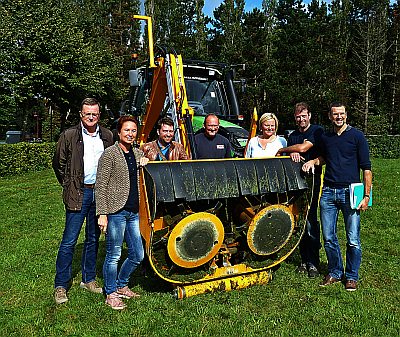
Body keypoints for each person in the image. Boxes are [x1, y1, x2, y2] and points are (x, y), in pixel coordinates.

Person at [302, 102, 372, 291]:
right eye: (335, 114)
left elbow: (366, 168)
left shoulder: (357, 136)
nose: (338, 117)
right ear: (330, 116)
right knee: (329, 237)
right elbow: (325, 157)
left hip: (351, 192)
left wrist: (366, 196)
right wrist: (313, 162)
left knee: (353, 238)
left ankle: (351, 276)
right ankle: (334, 271)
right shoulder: (326, 137)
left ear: (346, 115)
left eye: (341, 114)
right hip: (328, 193)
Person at [52, 97, 113, 304]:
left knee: (93, 238)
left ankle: (88, 279)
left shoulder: (107, 136)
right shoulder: (69, 135)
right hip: (78, 193)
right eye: (87, 113)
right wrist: (70, 185)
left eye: (94, 114)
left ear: (99, 115)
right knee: (69, 240)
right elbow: (58, 164)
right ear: (81, 114)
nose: (91, 117)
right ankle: (61, 285)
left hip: (100, 193)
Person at [96, 116, 149, 310]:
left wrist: (145, 161)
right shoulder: (110, 154)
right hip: (116, 211)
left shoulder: (136, 153)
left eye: (133, 130)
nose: (130, 134)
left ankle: (122, 284)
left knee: (138, 254)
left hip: (133, 212)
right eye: (127, 130)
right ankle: (110, 293)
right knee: (114, 255)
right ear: (119, 132)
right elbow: (100, 186)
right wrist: (102, 214)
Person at [276, 103, 324, 277]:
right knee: (300, 220)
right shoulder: (293, 135)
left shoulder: (317, 131)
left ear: (309, 115)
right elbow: (295, 152)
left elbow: (304, 148)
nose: (301, 119)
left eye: (304, 116)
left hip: (312, 180)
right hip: (296, 182)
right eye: (298, 117)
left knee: (311, 219)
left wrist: (283, 149)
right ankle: (304, 260)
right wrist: (291, 153)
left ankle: (314, 262)